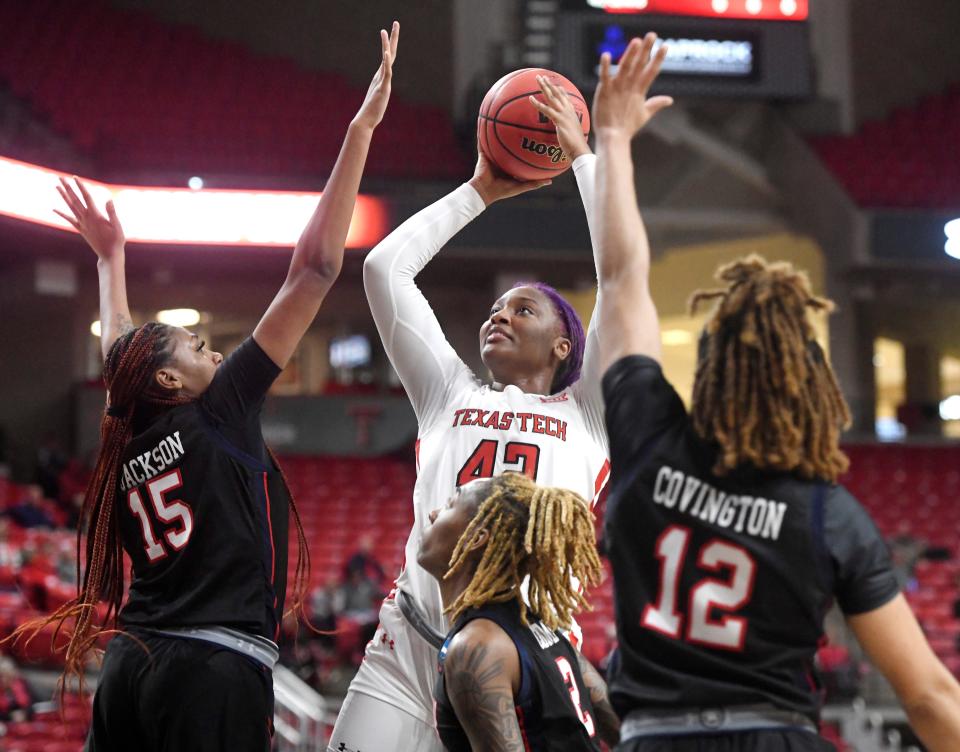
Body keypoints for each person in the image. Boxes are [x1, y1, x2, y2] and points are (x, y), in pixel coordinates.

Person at [9, 22, 399, 752]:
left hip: (133, 663)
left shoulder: (127, 434)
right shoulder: (215, 409)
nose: (216, 350)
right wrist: (359, 130)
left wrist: (110, 260)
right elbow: (313, 270)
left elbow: (120, 345)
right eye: (197, 346)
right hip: (210, 668)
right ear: (168, 378)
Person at [587, 32, 960, 751]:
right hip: (777, 737)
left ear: (711, 367)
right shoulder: (830, 515)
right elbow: (928, 694)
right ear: (806, 383)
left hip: (653, 738)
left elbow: (621, 282)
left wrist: (615, 140)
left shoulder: (647, 440)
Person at [328, 80, 611, 752]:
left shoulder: (590, 412)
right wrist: (478, 191)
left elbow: (623, 279)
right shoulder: (449, 393)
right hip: (412, 642)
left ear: (565, 344)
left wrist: (583, 164)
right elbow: (384, 270)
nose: (499, 315)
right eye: (494, 308)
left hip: (522, 654)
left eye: (523, 309)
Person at [420, 472, 618, 751]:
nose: (432, 514)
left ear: (476, 538)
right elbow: (623, 727)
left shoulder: (477, 647)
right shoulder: (546, 631)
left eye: (450, 505)